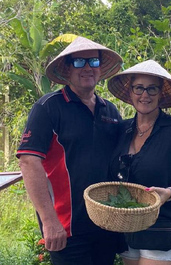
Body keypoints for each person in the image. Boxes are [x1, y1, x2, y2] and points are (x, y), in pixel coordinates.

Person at [17, 36, 124, 265]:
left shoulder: (111, 111)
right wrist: (49, 221)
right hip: (66, 225)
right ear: (66, 68)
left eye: (93, 62)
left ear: (100, 68)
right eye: (79, 62)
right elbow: (28, 162)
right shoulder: (48, 107)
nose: (87, 68)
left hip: (106, 222)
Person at [107, 60, 171, 265]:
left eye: (152, 89)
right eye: (139, 88)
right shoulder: (122, 130)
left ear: (161, 94)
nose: (145, 95)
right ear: (130, 93)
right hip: (127, 227)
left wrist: (168, 193)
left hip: (163, 227)